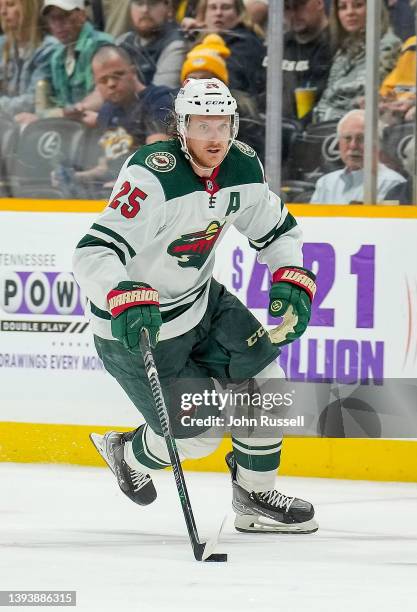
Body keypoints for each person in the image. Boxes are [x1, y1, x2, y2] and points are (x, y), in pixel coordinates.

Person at [73, 77, 318, 535]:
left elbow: (278, 229)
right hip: (137, 328)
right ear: (181, 128)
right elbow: (93, 253)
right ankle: (125, 452)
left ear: (234, 125)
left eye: (222, 124)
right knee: (198, 435)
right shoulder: (152, 175)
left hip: (203, 305)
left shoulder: (242, 166)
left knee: (268, 387)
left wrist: (289, 273)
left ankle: (254, 496)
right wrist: (122, 292)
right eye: (202, 124)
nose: (214, 136)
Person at [53, 44, 173, 197]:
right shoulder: (107, 111)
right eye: (103, 80)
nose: (111, 84)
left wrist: (124, 184)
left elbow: (157, 161)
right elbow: (106, 166)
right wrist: (74, 177)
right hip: (115, 196)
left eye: (118, 75)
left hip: (151, 196)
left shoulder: (159, 101)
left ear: (133, 72)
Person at [313, 0, 401, 123]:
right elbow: (328, 97)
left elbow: (360, 95)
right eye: (343, 7)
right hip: (328, 125)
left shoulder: (389, 45)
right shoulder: (344, 50)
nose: (350, 12)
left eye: (358, 5)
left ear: (375, 9)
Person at [180, 33, 265, 158]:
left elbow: (250, 155)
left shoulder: (241, 110)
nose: (199, 85)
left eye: (206, 79)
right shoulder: (178, 110)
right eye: (192, 79)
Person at [310, 109, 405, 203]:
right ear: (339, 143)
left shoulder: (393, 184)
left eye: (361, 138)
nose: (353, 146)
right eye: (347, 138)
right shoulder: (325, 183)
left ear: (378, 144)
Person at [42, 0, 113, 114]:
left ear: (82, 15)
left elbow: (104, 94)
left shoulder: (100, 45)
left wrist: (63, 113)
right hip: (70, 126)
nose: (58, 24)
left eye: (64, 15)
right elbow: (58, 102)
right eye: (52, 18)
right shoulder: (57, 56)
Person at [181, 0, 266, 95]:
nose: (218, 13)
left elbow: (232, 83)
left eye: (226, 7)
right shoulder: (199, 40)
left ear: (239, 14)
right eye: (213, 7)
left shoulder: (246, 43)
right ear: (204, 14)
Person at [0, 0, 57, 116]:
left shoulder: (49, 48)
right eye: (0, 6)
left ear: (30, 9)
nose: (3, 11)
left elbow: (34, 100)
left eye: (10, 4)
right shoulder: (2, 44)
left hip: (33, 125)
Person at [117, 0, 187, 89]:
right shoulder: (122, 41)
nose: (145, 10)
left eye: (153, 3)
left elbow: (160, 97)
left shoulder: (177, 44)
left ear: (168, 7)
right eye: (139, 3)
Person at [282, 0, 332, 124]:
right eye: (287, 8)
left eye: (301, 5)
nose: (294, 13)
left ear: (320, 3)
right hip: (272, 129)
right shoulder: (279, 44)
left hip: (314, 130)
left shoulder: (336, 44)